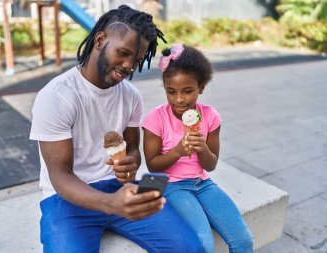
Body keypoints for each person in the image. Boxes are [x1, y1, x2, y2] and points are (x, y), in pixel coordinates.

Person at [29, 5, 202, 253]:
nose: (129, 65)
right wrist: (111, 204)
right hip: (68, 199)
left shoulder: (131, 96)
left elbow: (132, 149)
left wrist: (130, 163)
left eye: (138, 60)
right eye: (123, 53)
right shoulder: (57, 96)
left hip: (120, 190)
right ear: (100, 40)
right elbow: (60, 177)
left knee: (189, 249)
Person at [142, 44, 254, 253]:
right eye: (171, 92)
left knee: (243, 241)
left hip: (203, 183)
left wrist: (202, 148)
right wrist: (177, 151)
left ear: (201, 87)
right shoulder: (156, 118)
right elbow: (153, 165)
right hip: (172, 185)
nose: (179, 99)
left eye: (187, 91)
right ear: (165, 88)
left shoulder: (210, 116)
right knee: (202, 245)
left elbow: (210, 166)